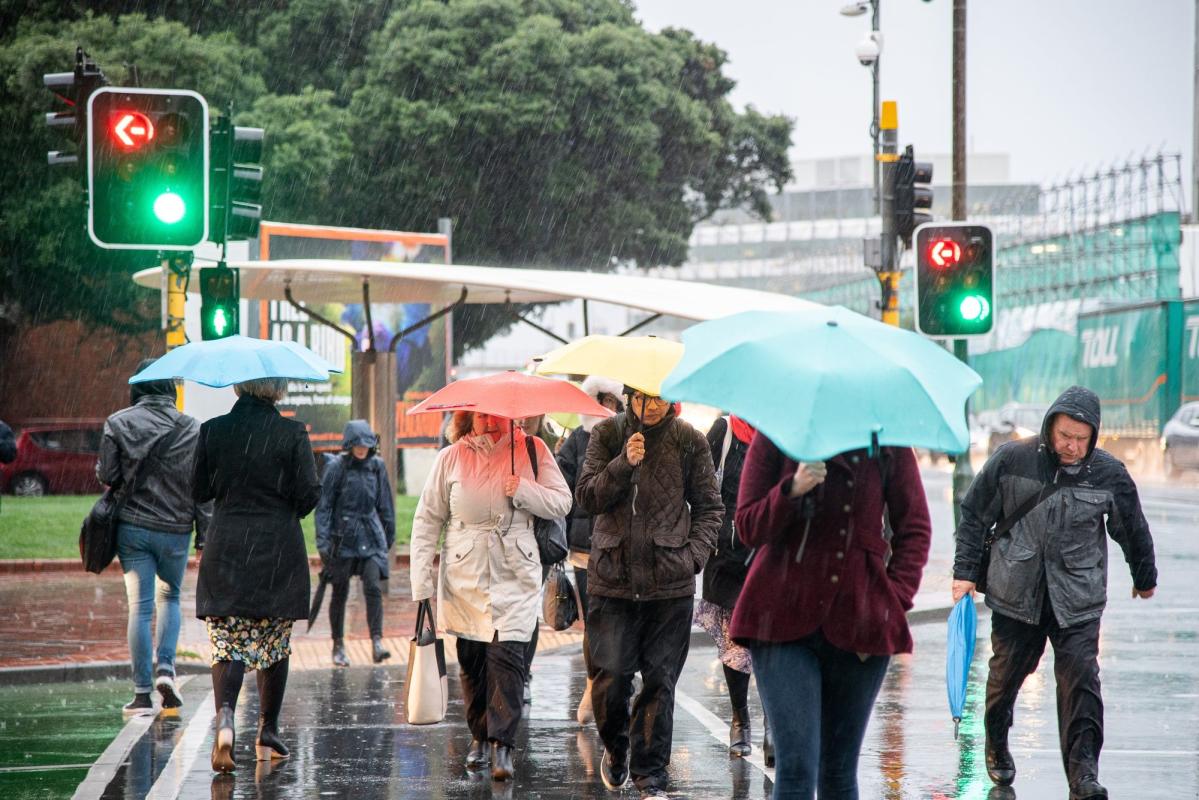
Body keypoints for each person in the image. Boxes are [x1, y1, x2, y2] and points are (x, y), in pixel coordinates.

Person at [952, 386, 1157, 800]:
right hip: (1016, 595)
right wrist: (965, 573)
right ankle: (996, 736)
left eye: (1082, 439)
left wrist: (1144, 575)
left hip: (1077, 599)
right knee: (1005, 679)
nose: (1072, 446)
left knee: (1081, 684)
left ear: (1094, 436)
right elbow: (975, 514)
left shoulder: (1108, 474)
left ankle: (1083, 775)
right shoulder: (1013, 460)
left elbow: (1132, 527)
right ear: (1050, 427)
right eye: (1065, 436)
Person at [730, 435, 931, 800]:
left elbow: (914, 528)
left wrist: (894, 599)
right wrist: (792, 489)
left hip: (861, 622)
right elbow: (747, 526)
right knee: (796, 768)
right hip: (780, 620)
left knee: (838, 771)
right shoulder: (779, 432)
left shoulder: (886, 440)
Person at [575, 386, 723, 800]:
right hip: (612, 582)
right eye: (642, 398)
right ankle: (617, 750)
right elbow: (586, 497)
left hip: (669, 586)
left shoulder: (689, 440)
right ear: (628, 398)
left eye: (659, 398)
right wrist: (624, 463)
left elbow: (710, 507)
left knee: (660, 682)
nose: (650, 406)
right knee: (612, 680)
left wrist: (692, 557)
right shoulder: (607, 435)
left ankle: (650, 777)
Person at [410, 410, 572, 782]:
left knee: (509, 658)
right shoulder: (449, 457)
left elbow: (562, 502)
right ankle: (479, 736)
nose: (489, 421)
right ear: (469, 417)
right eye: (481, 415)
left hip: (516, 571)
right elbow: (426, 520)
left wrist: (526, 491)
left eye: (496, 415)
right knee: (472, 661)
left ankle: (503, 745)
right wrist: (422, 585)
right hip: (463, 573)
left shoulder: (533, 450)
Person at [193, 377, 322, 772]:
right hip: (277, 551)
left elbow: (197, 490)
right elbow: (310, 492)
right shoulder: (292, 432)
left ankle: (227, 719)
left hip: (227, 546)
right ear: (278, 390)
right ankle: (268, 729)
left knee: (228, 641)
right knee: (274, 639)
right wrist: (285, 512)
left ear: (239, 387)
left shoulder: (213, 430)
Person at [96, 360, 208, 717]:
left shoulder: (118, 422)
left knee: (140, 607)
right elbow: (202, 489)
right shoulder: (193, 428)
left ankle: (142, 694)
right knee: (170, 597)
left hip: (133, 529)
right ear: (170, 389)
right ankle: (166, 669)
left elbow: (108, 474)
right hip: (176, 530)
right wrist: (204, 537)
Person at [695, 414, 771, 761]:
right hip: (725, 556)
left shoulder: (781, 433)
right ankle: (740, 718)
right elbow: (700, 488)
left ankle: (774, 723)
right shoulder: (724, 431)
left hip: (768, 554)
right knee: (735, 641)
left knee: (771, 642)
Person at [555, 376, 624, 725]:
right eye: (601, 399)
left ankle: (614, 684)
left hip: (623, 547)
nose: (606, 407)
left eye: (612, 401)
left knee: (617, 620)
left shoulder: (630, 437)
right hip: (584, 548)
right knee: (593, 621)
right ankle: (593, 685)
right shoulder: (576, 441)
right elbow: (562, 492)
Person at [316, 420, 396, 667]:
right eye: (357, 444)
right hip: (343, 538)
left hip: (370, 537)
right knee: (340, 591)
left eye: (366, 444)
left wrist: (387, 537)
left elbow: (385, 505)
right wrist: (323, 541)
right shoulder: (336, 467)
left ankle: (376, 641)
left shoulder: (376, 466)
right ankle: (338, 644)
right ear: (349, 444)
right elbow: (324, 506)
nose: (362, 449)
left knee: (372, 586)